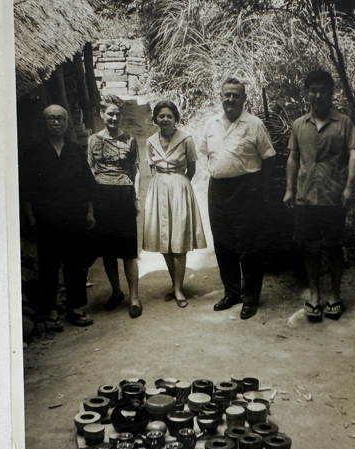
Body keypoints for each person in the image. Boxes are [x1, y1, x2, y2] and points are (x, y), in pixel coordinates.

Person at [283, 69, 355, 321]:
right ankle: (314, 294)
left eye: (322, 90)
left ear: (331, 93)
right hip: (305, 195)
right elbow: (293, 157)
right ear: (307, 94)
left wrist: (350, 187)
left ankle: (335, 294)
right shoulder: (298, 125)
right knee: (310, 248)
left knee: (334, 246)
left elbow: (353, 153)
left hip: (333, 195)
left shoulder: (344, 122)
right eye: (313, 90)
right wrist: (289, 189)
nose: (317, 95)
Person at [200, 77, 276, 320]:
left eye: (236, 95)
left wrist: (260, 189)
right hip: (218, 189)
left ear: (244, 99)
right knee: (223, 244)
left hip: (247, 190)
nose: (230, 99)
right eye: (227, 95)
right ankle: (231, 293)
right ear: (220, 97)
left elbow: (269, 158)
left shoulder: (254, 124)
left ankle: (250, 298)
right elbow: (205, 154)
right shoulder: (210, 124)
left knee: (249, 246)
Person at [19, 104, 96, 331]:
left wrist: (90, 211)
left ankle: (74, 307)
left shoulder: (74, 150)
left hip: (73, 216)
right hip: (47, 218)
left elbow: (86, 185)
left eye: (60, 119)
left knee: (76, 263)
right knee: (48, 266)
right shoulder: (34, 152)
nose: (56, 123)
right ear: (45, 123)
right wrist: (30, 215)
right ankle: (50, 309)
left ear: (66, 123)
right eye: (51, 119)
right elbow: (26, 188)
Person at [142, 100, 207, 307]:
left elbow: (192, 167)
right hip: (158, 189)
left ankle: (178, 289)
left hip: (179, 188)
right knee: (163, 240)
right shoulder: (150, 141)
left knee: (178, 239)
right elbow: (152, 168)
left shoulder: (185, 138)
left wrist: (179, 182)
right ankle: (174, 283)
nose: (165, 119)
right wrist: (162, 183)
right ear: (156, 119)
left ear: (175, 118)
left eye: (169, 116)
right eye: (161, 116)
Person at [87, 95, 143, 318]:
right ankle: (116, 292)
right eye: (110, 114)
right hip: (102, 197)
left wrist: (136, 196)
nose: (114, 118)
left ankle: (135, 298)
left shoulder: (129, 140)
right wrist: (92, 205)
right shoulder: (93, 140)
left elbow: (136, 170)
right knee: (108, 251)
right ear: (102, 114)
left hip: (123, 195)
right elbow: (90, 171)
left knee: (128, 251)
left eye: (118, 114)